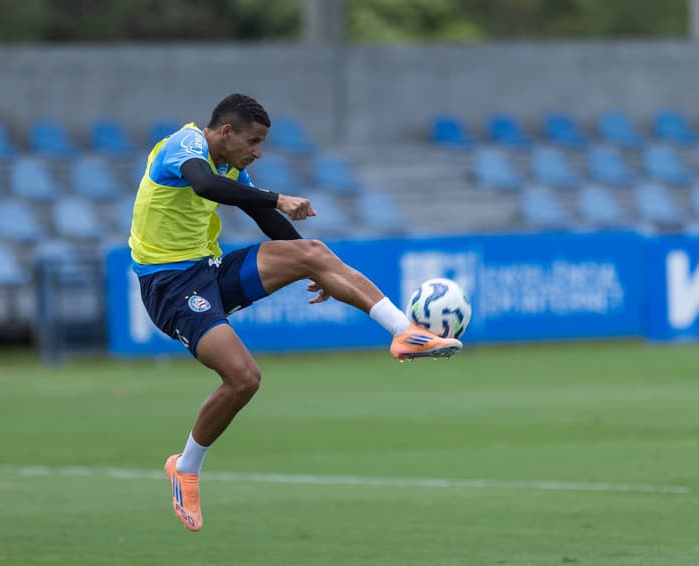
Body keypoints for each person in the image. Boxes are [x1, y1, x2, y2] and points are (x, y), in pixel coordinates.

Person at [129, 93, 462, 532]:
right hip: (170, 286)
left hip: (208, 268)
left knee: (314, 251)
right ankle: (185, 468)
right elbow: (206, 187)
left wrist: (317, 269)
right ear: (225, 132)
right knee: (244, 378)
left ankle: (404, 332)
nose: (258, 151)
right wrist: (278, 197)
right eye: (253, 140)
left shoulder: (231, 165)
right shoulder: (184, 146)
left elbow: (266, 221)